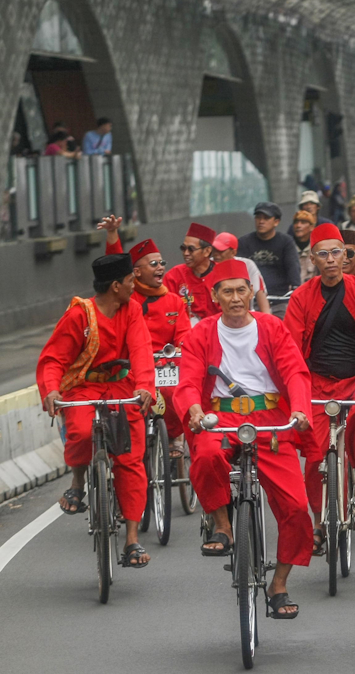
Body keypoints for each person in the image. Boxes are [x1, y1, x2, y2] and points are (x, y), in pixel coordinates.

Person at [178, 259, 311, 618]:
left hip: (269, 419)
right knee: (205, 456)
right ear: (214, 296)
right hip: (220, 415)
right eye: (228, 292)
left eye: (242, 290)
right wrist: (192, 408)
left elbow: (295, 371)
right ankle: (222, 526)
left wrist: (298, 409)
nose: (236, 298)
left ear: (252, 292)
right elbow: (188, 381)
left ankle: (279, 584)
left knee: (296, 507)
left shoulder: (272, 327)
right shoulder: (201, 332)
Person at [283, 223, 355, 549]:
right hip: (317, 384)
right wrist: (290, 388)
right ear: (313, 259)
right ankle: (319, 521)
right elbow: (290, 347)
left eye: (338, 253)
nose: (332, 259)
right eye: (324, 254)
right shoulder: (302, 297)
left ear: (347, 255)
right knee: (315, 455)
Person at [37, 253, 155, 567]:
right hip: (84, 387)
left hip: (120, 386)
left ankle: (131, 540)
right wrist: (50, 389)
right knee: (80, 431)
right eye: (131, 281)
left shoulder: (131, 310)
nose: (135, 286)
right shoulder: (80, 315)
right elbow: (53, 359)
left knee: (130, 459)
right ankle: (78, 484)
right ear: (116, 285)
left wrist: (145, 385)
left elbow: (142, 349)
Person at [98, 219, 193, 458]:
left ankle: (174, 434)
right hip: (131, 366)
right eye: (154, 263)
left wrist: (179, 353)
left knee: (173, 392)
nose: (161, 267)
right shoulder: (126, 301)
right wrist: (112, 234)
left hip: (164, 364)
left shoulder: (174, 301)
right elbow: (115, 266)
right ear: (136, 272)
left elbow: (184, 335)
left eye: (162, 263)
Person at [239, 202, 301, 316]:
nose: (261, 221)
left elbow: (293, 267)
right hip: (252, 303)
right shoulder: (244, 242)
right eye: (258, 217)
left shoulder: (286, 242)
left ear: (276, 222)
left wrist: (296, 287)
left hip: (279, 301)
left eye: (266, 218)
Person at [165, 222, 220, 324]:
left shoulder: (223, 275)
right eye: (183, 248)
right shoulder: (174, 276)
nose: (186, 253)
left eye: (191, 249)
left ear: (207, 251)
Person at [212, 232, 270, 313]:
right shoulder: (208, 265)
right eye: (214, 250)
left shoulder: (247, 265)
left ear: (233, 252)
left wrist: (268, 320)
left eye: (220, 251)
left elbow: (260, 293)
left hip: (244, 314)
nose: (215, 254)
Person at [292, 210, 317, 282]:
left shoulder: (316, 250)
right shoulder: (287, 248)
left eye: (303, 222)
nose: (298, 226)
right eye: (296, 222)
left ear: (311, 227)